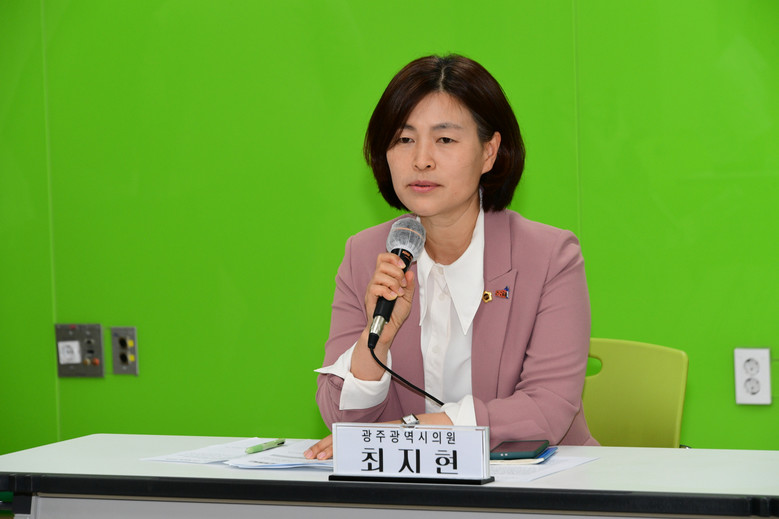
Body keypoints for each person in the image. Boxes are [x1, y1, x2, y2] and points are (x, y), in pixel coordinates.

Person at [305, 54, 597, 460]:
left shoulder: (549, 256)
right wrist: (376, 342)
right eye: (404, 139)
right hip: (409, 487)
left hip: (536, 482)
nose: (421, 159)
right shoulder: (366, 255)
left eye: (445, 140)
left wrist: (410, 432)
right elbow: (341, 419)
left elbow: (546, 409)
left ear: (489, 152)